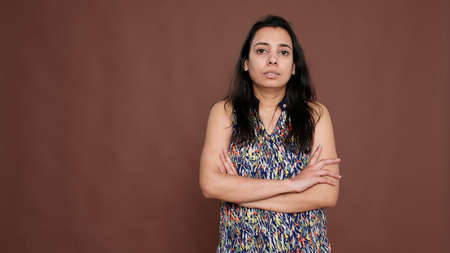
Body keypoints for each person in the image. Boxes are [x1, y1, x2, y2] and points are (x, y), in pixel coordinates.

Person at [199, 15, 342, 252]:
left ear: (294, 66)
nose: (273, 60)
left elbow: (327, 193)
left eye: (284, 52)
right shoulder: (224, 112)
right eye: (262, 51)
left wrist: (241, 193)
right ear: (246, 62)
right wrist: (293, 184)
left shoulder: (316, 115)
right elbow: (210, 184)